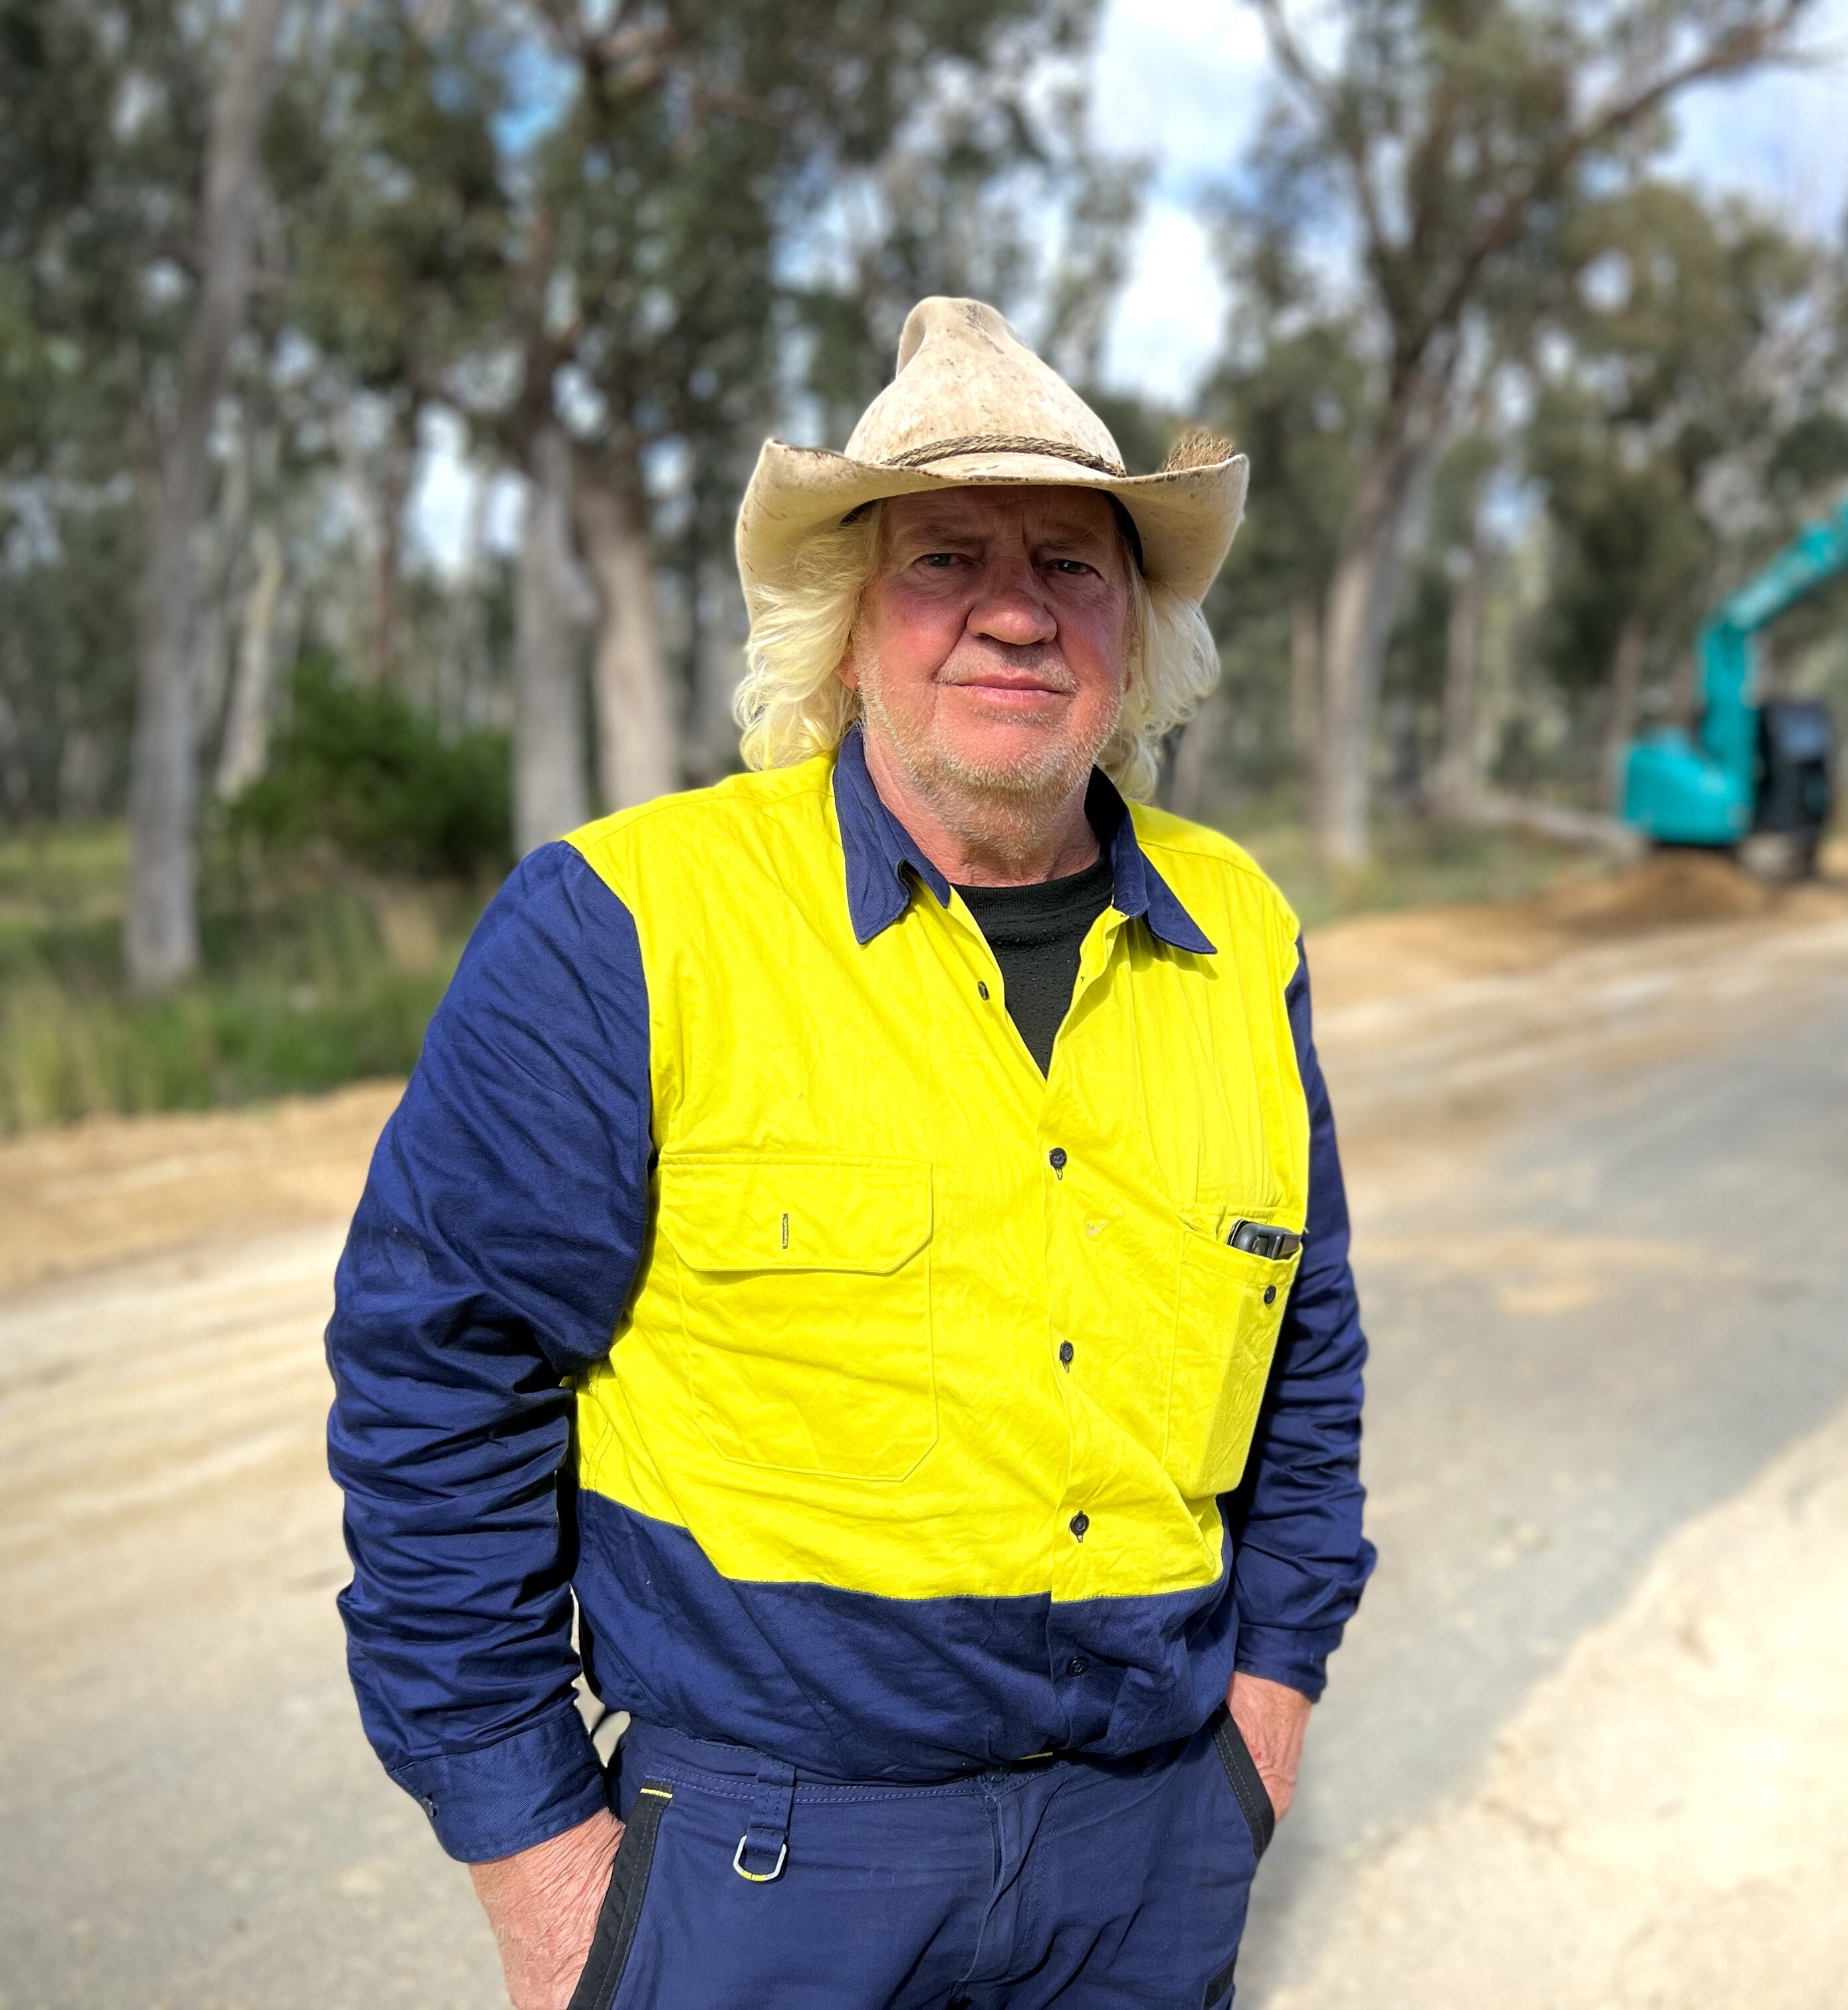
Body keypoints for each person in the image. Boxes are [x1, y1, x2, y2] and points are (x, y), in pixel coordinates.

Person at [326, 298, 1375, 2010]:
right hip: (763, 1870)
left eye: (1075, 564)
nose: (1018, 610)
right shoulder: (622, 925)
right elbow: (438, 1392)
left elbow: (1305, 1366)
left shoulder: (1242, 929)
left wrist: (1263, 1724)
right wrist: (539, 1860)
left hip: (1155, 1852)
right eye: (943, 557)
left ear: (1137, 630)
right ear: (842, 625)